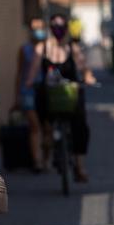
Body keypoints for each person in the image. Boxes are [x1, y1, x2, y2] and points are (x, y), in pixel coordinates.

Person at [26, 12, 96, 182]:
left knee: (79, 125)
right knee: (44, 122)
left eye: (61, 26)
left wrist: (88, 77)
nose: (58, 30)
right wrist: (29, 82)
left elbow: (83, 67)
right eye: (55, 26)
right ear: (50, 28)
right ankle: (46, 153)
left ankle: (79, 166)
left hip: (70, 93)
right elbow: (34, 68)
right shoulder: (41, 48)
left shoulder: (73, 48)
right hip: (50, 93)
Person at [14, 17, 49, 172]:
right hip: (28, 91)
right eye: (35, 28)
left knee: (47, 127)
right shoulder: (25, 49)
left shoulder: (49, 48)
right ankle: (37, 161)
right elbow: (20, 72)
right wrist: (17, 97)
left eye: (41, 27)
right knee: (35, 126)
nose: (38, 31)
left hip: (46, 90)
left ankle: (47, 158)